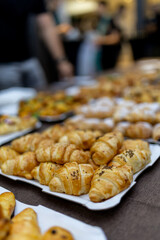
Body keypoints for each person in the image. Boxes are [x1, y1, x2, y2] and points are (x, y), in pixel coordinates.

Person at [0, 0, 73, 89]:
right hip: (4, 66)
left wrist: (61, 61)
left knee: (42, 98)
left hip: (30, 61)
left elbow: (47, 27)